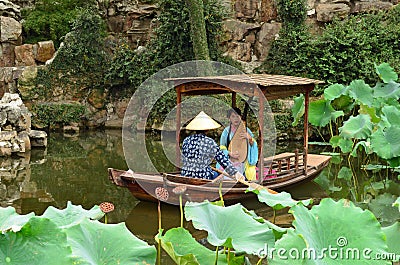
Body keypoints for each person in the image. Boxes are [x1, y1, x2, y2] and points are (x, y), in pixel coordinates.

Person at [181, 111, 244, 181]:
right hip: (202, 176)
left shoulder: (186, 140)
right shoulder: (209, 142)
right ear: (207, 129)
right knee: (218, 175)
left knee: (213, 172)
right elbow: (222, 160)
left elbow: (184, 159)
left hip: (185, 174)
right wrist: (235, 173)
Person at [219, 107, 258, 180]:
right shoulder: (226, 131)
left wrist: (250, 139)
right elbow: (221, 147)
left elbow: (253, 144)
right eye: (233, 116)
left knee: (249, 172)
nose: (236, 119)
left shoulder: (246, 130)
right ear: (229, 118)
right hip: (230, 160)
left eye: (237, 116)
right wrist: (229, 153)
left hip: (244, 160)